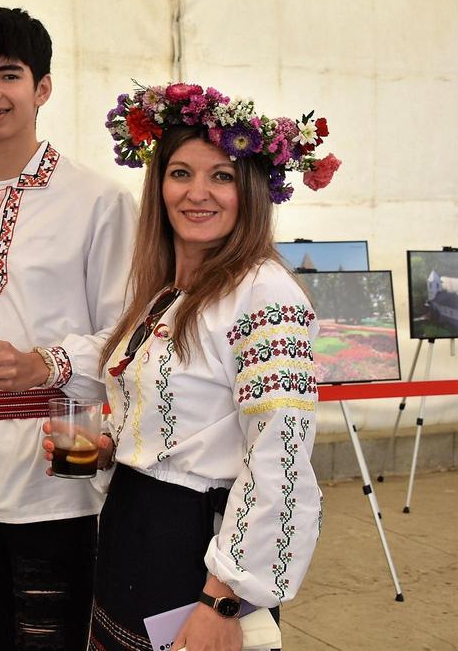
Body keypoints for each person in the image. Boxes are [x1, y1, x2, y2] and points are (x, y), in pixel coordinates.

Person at [51, 82, 337, 650]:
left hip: (197, 552)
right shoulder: (168, 293)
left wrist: (225, 597)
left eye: (221, 176)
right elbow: (176, 421)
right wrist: (111, 447)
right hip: (135, 531)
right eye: (180, 173)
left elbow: (280, 457)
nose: (196, 193)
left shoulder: (265, 296)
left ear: (249, 190)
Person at [0, 7, 137, 649]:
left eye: (8, 75)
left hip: (61, 462)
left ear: (42, 88)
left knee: (58, 639)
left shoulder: (99, 200)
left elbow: (128, 336)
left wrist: (46, 362)